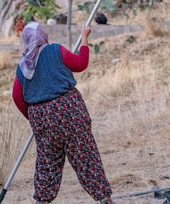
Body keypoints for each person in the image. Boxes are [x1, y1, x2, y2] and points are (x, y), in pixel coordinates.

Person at [12, 21, 115, 204]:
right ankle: (105, 200)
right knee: (85, 156)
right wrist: (84, 38)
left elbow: (17, 97)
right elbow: (81, 63)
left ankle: (41, 201)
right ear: (44, 35)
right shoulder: (55, 51)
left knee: (47, 163)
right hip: (69, 111)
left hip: (41, 117)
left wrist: (36, 118)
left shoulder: (23, 66)